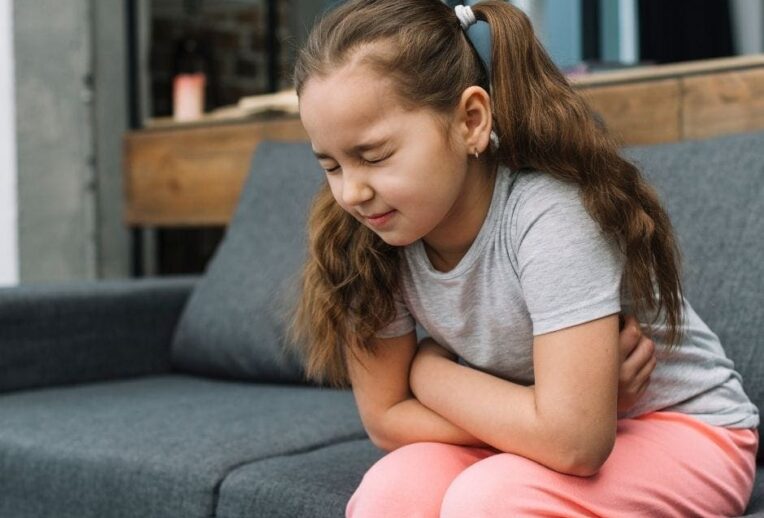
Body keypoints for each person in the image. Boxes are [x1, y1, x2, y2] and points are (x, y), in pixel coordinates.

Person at [288, 0, 760, 515]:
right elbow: (385, 418)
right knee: (393, 489)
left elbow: (576, 444)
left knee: (489, 500)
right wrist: (542, 424)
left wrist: (430, 374)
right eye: (331, 166)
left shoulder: (550, 217)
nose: (351, 192)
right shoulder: (368, 241)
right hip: (547, 427)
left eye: (374, 156)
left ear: (471, 120)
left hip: (682, 429)